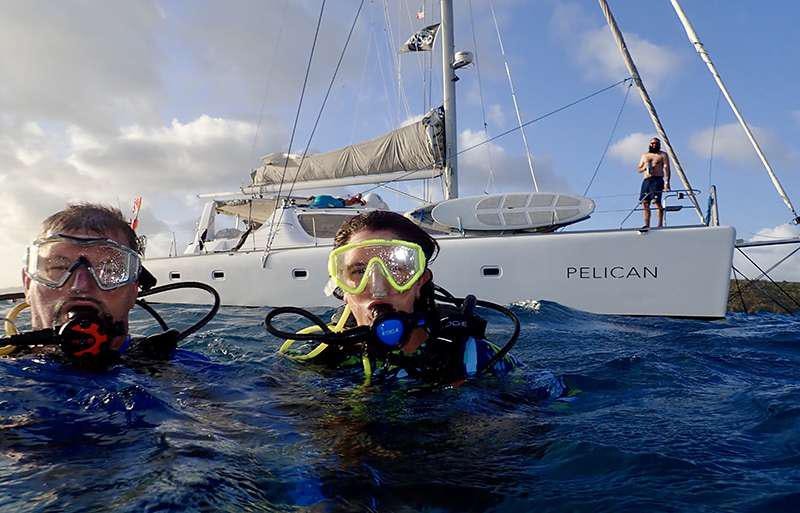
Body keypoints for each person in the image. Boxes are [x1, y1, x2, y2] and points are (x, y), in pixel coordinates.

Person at [269, 210, 518, 386]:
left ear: (420, 281)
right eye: (358, 271)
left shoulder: (472, 356)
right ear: (341, 287)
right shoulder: (316, 356)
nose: (378, 288)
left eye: (396, 269)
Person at [2, 203, 184, 369]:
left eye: (109, 270)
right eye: (58, 267)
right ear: (28, 285)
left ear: (133, 290)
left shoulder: (177, 374)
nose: (80, 286)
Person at [637, 137, 671, 229]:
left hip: (657, 180)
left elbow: (666, 168)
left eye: (656, 143)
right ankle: (647, 224)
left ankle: (660, 224)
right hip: (647, 180)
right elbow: (638, 169)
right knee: (645, 202)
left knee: (656, 202)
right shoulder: (645, 156)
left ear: (659, 145)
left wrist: (667, 182)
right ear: (650, 144)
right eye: (652, 143)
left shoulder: (662, 155)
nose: (654, 145)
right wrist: (645, 168)